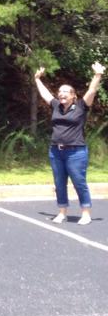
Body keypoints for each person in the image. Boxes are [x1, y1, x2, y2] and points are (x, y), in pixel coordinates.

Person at [34, 62, 104, 225]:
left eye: (65, 92)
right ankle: (62, 212)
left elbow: (91, 91)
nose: (61, 94)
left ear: (73, 96)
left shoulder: (81, 107)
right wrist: (37, 79)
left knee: (79, 182)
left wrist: (98, 75)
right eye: (60, 91)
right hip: (55, 151)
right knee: (59, 183)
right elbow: (45, 94)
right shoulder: (56, 106)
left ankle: (85, 213)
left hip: (76, 152)